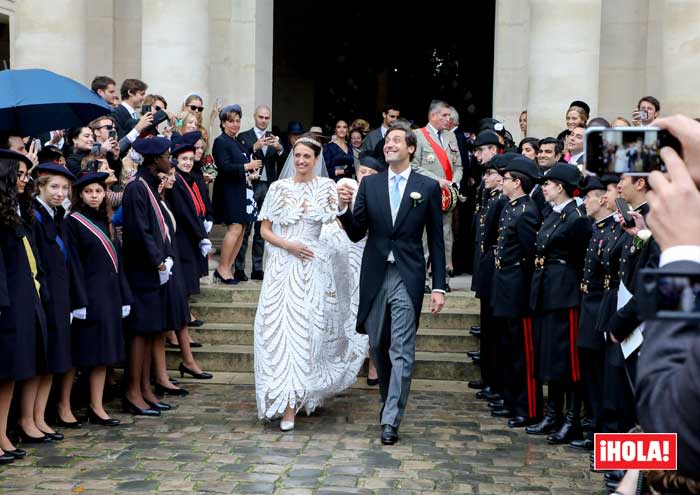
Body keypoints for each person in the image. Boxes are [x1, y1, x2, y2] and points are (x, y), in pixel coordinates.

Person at [337, 122, 446, 445]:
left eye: (397, 140)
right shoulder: (371, 187)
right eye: (387, 141)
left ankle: (391, 419)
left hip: (408, 275)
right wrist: (343, 209)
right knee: (378, 345)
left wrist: (437, 286)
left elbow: (436, 241)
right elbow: (357, 231)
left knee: (402, 348)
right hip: (375, 274)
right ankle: (389, 400)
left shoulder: (425, 187)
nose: (390, 144)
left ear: (411, 148)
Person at [254, 135, 367, 431]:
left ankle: (303, 393)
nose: (302, 161)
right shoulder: (279, 188)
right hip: (283, 266)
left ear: (316, 160)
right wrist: (289, 245)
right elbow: (265, 230)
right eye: (298, 155)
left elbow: (340, 223)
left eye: (307, 156)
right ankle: (285, 402)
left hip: (313, 267)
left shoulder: (326, 187)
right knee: (280, 331)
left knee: (308, 333)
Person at [526, 164, 592, 445]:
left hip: (564, 292)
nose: (544, 187)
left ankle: (571, 419)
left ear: (561, 186)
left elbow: (579, 260)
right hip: (547, 289)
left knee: (567, 361)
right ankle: (552, 415)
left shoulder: (575, 217)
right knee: (550, 357)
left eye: (549, 183)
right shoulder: (553, 214)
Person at [64, 171, 131, 426]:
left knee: (104, 353)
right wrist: (78, 301)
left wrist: (124, 296)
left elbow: (118, 261)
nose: (94, 196)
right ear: (80, 194)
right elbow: (74, 264)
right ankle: (64, 405)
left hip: (109, 295)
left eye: (99, 191)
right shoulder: (74, 221)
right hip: (87, 296)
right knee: (78, 354)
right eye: (89, 191)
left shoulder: (108, 220)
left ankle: (96, 405)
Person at [120, 136, 174, 417]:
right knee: (139, 333)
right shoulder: (135, 188)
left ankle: (145, 389)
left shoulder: (150, 185)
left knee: (151, 330)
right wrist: (158, 263)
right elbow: (139, 231)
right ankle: (132, 391)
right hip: (141, 271)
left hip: (152, 271)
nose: (170, 159)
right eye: (167, 155)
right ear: (154, 160)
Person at [0, 149, 47, 460]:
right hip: (6, 303)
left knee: (10, 374)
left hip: (22, 299)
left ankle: (2, 435)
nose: (25, 179)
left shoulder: (14, 210)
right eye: (19, 174)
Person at [491, 155, 543, 427]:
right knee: (509, 348)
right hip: (505, 282)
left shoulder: (526, 211)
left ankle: (528, 407)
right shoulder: (511, 207)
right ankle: (512, 401)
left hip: (518, 286)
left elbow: (529, 254)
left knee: (522, 351)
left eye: (508, 178)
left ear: (518, 182)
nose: (503, 181)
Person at [30, 164, 77, 433]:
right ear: (41, 186)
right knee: (41, 360)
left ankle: (40, 416)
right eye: (54, 187)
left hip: (60, 295)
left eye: (64, 188)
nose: (60, 193)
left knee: (54, 360)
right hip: (45, 296)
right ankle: (29, 419)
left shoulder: (57, 215)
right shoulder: (36, 217)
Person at [570, 175, 616, 451]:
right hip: (590, 304)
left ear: (601, 199)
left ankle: (601, 431)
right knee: (590, 368)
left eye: (588, 197)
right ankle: (595, 425)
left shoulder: (613, 230)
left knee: (601, 372)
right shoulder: (595, 229)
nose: (584, 201)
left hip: (603, 305)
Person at [165, 140, 212, 380]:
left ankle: (181, 341)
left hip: (186, 239)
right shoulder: (174, 186)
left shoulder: (190, 177)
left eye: (190, 159)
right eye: (182, 159)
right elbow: (183, 212)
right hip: (180, 242)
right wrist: (200, 235)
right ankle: (175, 337)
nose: (186, 163)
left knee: (184, 292)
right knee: (181, 290)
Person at [411, 100, 463, 290]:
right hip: (425, 193)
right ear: (433, 116)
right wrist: (438, 181)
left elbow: (459, 165)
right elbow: (414, 166)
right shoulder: (418, 136)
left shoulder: (451, 136)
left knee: (445, 237)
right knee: (424, 237)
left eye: (449, 116)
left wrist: (454, 182)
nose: (448, 119)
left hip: (447, 196)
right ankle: (423, 279)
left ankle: (442, 281)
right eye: (444, 115)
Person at [471, 154, 507, 413]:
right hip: (486, 266)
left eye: (490, 174)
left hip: (498, 269)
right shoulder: (489, 197)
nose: (485, 178)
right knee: (488, 327)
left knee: (496, 331)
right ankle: (489, 378)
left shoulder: (502, 201)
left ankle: (495, 380)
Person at [211, 104, 261, 284]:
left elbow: (242, 165)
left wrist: (251, 172)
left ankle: (228, 267)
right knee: (235, 228)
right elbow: (224, 168)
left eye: (238, 121)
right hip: (228, 191)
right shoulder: (220, 141)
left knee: (242, 229)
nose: (235, 124)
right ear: (223, 123)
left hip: (242, 190)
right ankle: (222, 268)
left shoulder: (238, 141)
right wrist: (246, 167)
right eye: (231, 121)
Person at [235, 105, 283, 281]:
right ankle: (239, 267)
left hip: (268, 186)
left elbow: (284, 159)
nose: (264, 120)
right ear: (255, 117)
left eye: (267, 118)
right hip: (250, 186)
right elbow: (240, 156)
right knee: (245, 228)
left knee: (262, 228)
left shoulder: (273, 137)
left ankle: (257, 268)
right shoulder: (244, 136)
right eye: (261, 117)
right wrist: (254, 146)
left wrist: (279, 147)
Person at [112, 78, 153, 143]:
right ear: (130, 92)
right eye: (142, 94)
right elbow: (120, 140)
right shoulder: (116, 112)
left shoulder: (135, 115)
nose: (143, 98)